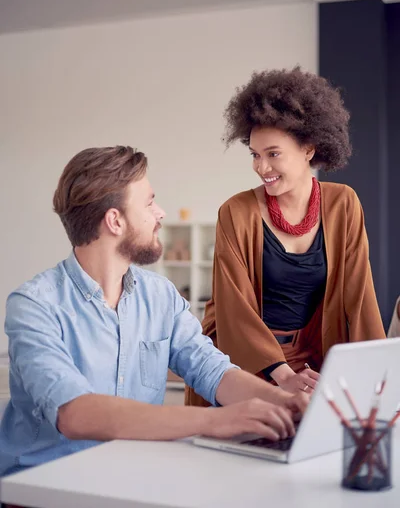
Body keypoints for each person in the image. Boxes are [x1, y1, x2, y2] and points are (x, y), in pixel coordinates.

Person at [0, 146, 308, 478]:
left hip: (131, 477)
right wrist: (216, 421)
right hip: (42, 486)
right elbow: (75, 413)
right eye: (148, 203)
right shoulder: (34, 306)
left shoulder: (159, 295)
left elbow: (212, 371)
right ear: (115, 220)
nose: (160, 213)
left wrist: (281, 401)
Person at [186, 67, 386, 409]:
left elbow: (359, 297)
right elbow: (233, 310)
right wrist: (280, 373)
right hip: (242, 363)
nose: (261, 167)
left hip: (316, 359)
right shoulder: (236, 212)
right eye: (254, 154)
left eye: (273, 154)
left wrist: (380, 375)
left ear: (309, 148)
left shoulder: (343, 203)